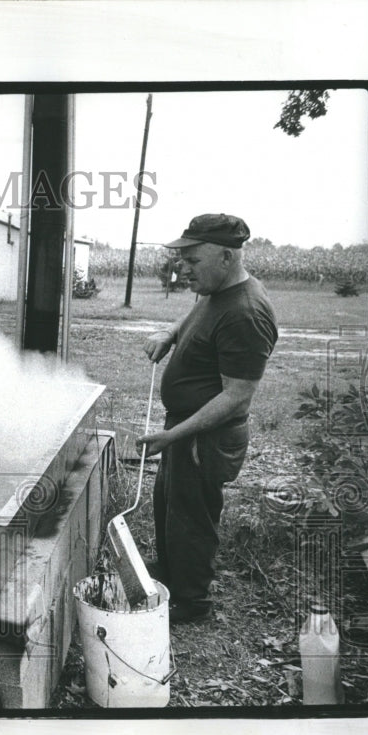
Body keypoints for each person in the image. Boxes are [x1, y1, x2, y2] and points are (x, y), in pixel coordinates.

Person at [136, 213, 278, 624]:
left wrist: (174, 435)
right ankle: (171, 574)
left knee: (192, 518)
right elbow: (197, 314)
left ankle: (191, 601)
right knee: (171, 504)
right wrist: (170, 333)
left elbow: (236, 397)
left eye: (193, 261)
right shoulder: (216, 291)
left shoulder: (246, 313)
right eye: (183, 260)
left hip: (205, 436)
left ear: (227, 257)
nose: (183, 269)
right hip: (185, 428)